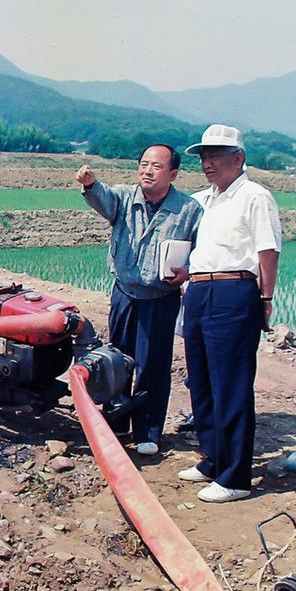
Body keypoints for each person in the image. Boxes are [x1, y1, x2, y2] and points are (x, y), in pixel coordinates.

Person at [76, 144, 203, 456]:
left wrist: (187, 271)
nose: (147, 170)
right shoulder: (124, 198)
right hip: (125, 293)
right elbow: (101, 198)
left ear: (173, 174)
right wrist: (90, 184)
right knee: (117, 361)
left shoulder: (188, 210)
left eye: (156, 166)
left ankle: (147, 430)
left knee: (154, 366)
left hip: (161, 297)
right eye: (144, 164)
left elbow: (202, 250)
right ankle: (116, 423)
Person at [177, 124, 281, 504]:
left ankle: (236, 477)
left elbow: (267, 251)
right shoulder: (203, 200)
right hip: (200, 289)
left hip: (234, 290)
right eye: (203, 156)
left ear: (237, 158)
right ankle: (212, 458)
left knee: (231, 385)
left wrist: (264, 298)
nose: (207, 163)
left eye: (215, 155)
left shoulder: (255, 197)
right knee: (201, 380)